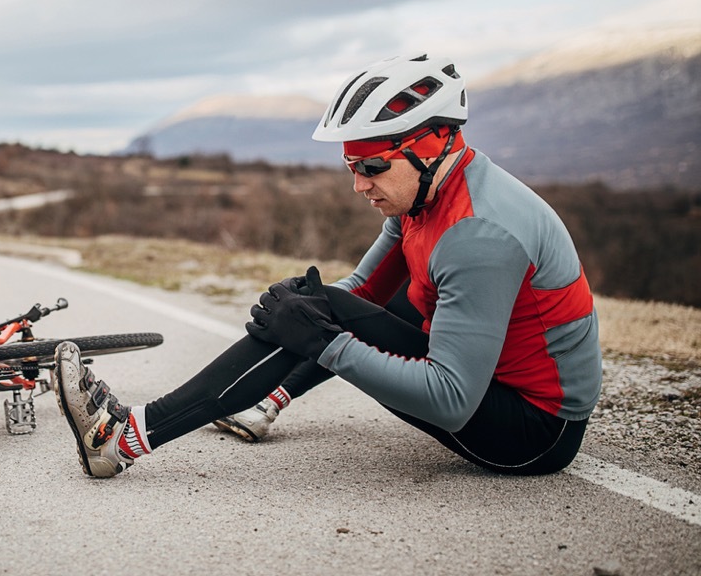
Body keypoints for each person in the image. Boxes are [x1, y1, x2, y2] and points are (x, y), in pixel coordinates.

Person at [52, 52, 602, 478]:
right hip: (497, 391)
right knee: (315, 301)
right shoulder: (425, 196)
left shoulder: (477, 235)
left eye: (371, 166)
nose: (359, 184)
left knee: (321, 318)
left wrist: (320, 341)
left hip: (536, 434)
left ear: (430, 147)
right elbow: (357, 295)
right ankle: (252, 406)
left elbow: (450, 401)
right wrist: (297, 313)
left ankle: (121, 440)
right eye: (350, 166)